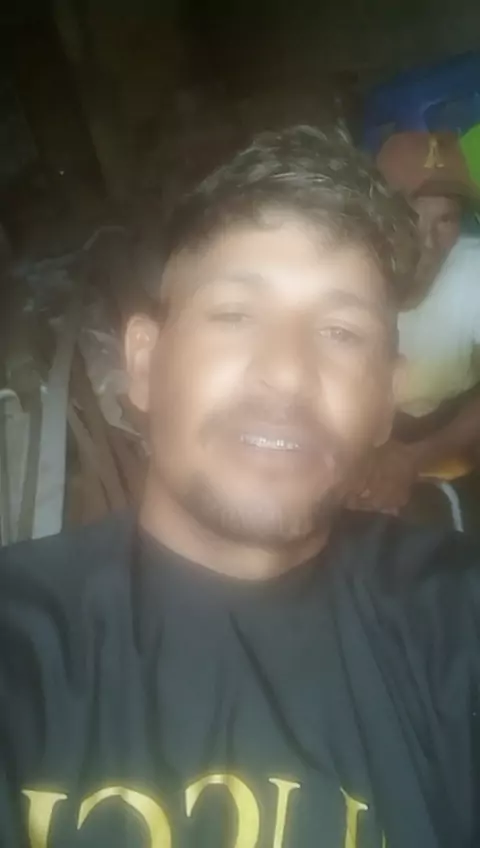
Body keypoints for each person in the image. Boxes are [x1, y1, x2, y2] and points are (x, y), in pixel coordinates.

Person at [0, 126, 479, 848]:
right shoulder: (22, 642)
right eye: (234, 314)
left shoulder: (451, 616)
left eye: (342, 332)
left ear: (387, 398)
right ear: (143, 363)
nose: (286, 374)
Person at [352, 132, 480, 524]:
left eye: (446, 219)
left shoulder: (472, 272)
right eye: (409, 216)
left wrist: (415, 458)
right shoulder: (341, 272)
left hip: (451, 430)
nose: (428, 241)